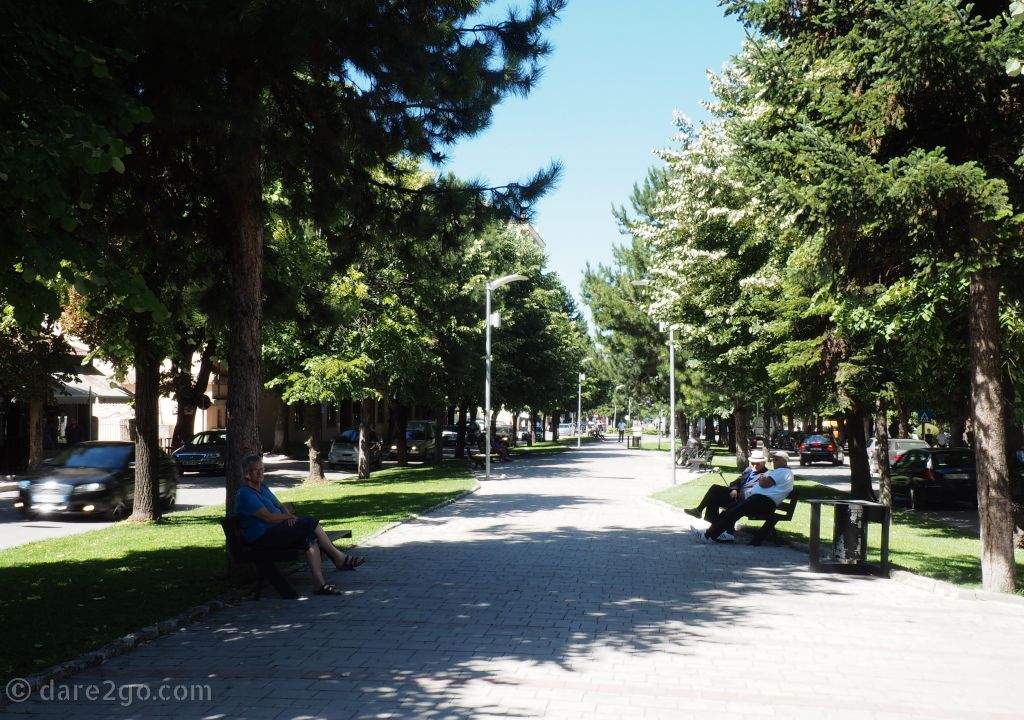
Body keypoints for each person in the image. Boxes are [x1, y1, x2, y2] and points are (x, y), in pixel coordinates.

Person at [234, 453, 365, 596]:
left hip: (276, 531)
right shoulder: (245, 495)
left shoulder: (263, 488)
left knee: (308, 537)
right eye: (256, 470)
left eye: (262, 469)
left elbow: (280, 505)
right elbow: (269, 518)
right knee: (310, 522)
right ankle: (339, 558)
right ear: (247, 474)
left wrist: (286, 515)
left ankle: (320, 585)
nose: (260, 473)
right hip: (262, 538)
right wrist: (288, 517)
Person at [691, 450, 795, 543]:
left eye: (776, 459)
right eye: (773, 459)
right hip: (757, 500)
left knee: (732, 511)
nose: (773, 461)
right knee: (730, 510)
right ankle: (711, 534)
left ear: (784, 461)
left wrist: (763, 478)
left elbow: (764, 483)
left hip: (762, 501)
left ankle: (708, 535)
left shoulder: (783, 472)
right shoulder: (780, 472)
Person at [685, 449, 769, 522]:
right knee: (715, 489)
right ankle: (706, 517)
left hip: (744, 500)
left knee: (713, 497)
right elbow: (736, 481)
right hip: (734, 494)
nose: (755, 466)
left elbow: (754, 490)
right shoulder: (749, 469)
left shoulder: (765, 475)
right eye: (753, 463)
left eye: (758, 464)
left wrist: (738, 493)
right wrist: (734, 489)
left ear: (763, 462)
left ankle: (707, 518)